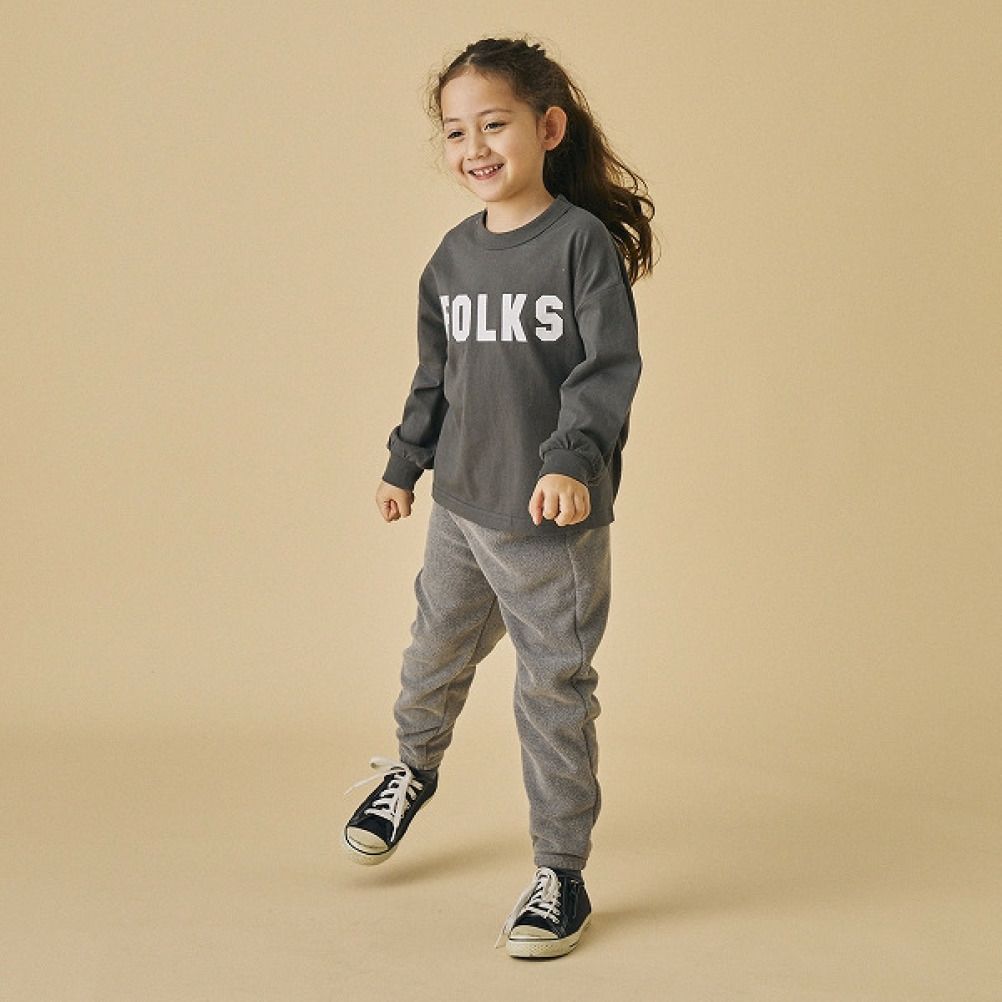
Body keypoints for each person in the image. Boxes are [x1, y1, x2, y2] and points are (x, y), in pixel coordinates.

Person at [342, 35, 657, 959]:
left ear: (547, 128)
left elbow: (607, 370)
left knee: (551, 691)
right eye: (456, 132)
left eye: (494, 124)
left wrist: (570, 463)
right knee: (432, 650)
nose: (474, 147)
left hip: (548, 522)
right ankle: (412, 768)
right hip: (461, 507)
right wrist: (405, 462)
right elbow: (435, 375)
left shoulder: (579, 245)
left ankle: (562, 872)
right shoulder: (451, 258)